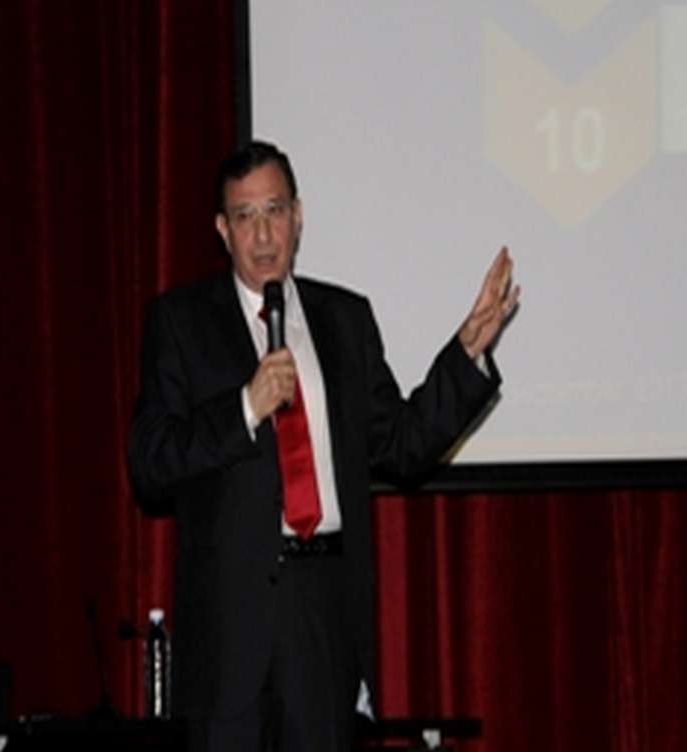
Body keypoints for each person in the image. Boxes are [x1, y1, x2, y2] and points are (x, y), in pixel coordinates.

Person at [128, 140, 520, 752]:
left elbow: (402, 446)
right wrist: (245, 407)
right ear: (222, 230)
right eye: (245, 216)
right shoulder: (181, 322)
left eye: (275, 211)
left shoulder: (344, 319)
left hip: (323, 611)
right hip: (231, 627)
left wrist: (466, 353)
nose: (263, 235)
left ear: (299, 216)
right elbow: (151, 465)